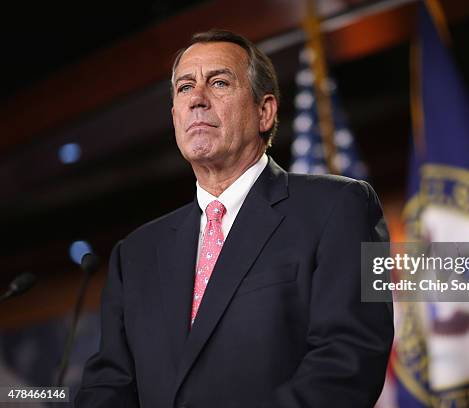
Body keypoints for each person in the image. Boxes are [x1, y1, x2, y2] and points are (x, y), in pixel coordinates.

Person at [76, 29, 393, 408]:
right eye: (184, 88)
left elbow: (349, 358)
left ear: (265, 111)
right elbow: (108, 385)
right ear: (175, 116)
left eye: (219, 82)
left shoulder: (340, 206)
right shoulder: (135, 254)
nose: (197, 99)